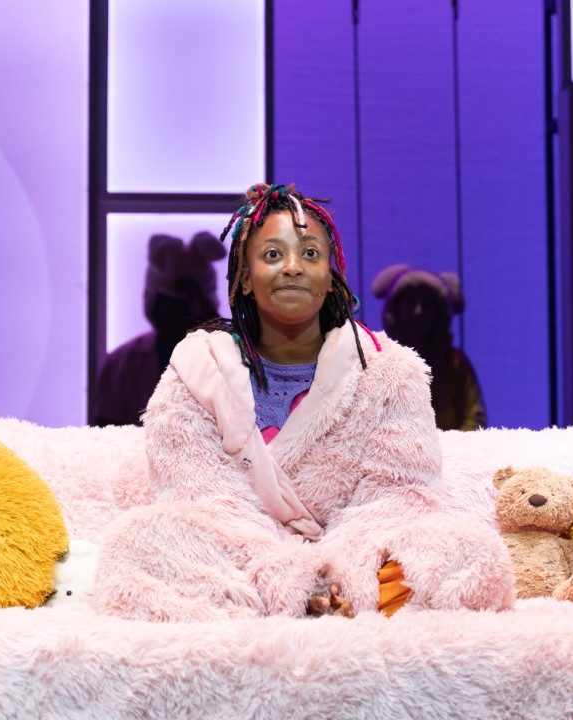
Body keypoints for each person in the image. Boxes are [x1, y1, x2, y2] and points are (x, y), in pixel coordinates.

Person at [92, 182, 514, 622]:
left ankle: (312, 601)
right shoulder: (197, 371)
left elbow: (398, 497)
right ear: (244, 277)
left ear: (330, 276)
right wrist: (286, 574)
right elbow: (204, 501)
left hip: (354, 554)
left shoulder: (391, 371)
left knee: (471, 553)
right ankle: (308, 602)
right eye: (272, 255)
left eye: (310, 254)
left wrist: (337, 570)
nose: (292, 267)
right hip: (243, 555)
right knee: (137, 544)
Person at [90, 231, 226, 426]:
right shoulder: (122, 364)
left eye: (190, 305)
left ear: (207, 307)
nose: (180, 316)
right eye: (171, 304)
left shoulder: (236, 363)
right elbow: (102, 441)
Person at [372, 264, 487, 430]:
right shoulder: (379, 363)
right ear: (395, 309)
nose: (418, 312)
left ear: (438, 313)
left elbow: (475, 417)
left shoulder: (454, 363)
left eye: (427, 305)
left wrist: (456, 449)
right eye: (410, 303)